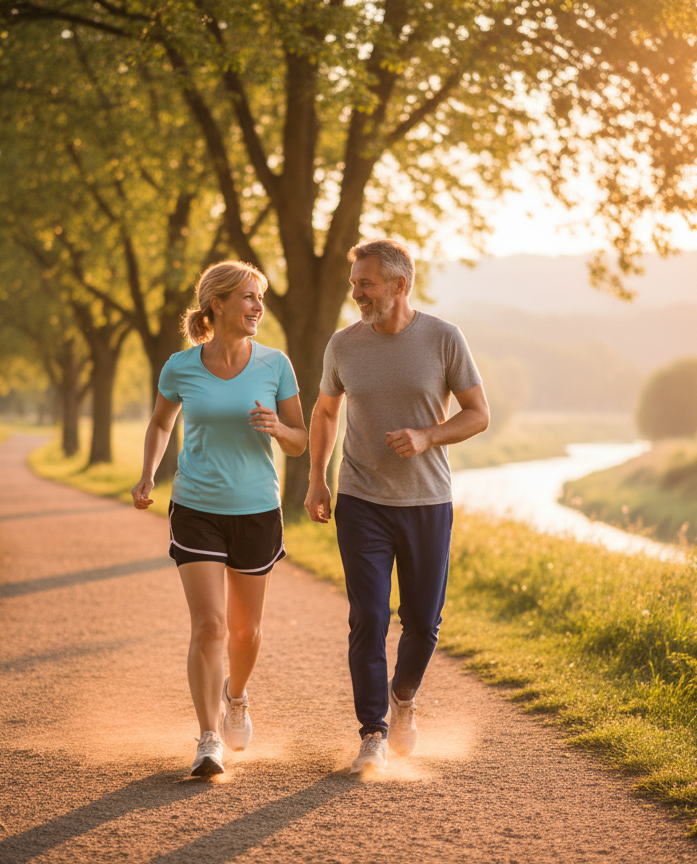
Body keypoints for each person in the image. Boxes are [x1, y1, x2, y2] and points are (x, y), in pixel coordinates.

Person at [304, 239, 490, 774]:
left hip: (426, 501)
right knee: (368, 615)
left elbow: (478, 414)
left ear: (399, 285)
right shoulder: (343, 346)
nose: (356, 292)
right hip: (361, 498)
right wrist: (317, 479)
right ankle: (373, 731)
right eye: (353, 283)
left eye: (366, 283)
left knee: (423, 623)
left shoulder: (443, 339)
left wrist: (429, 436)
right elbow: (324, 412)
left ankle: (403, 697)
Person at [132, 261, 307, 778]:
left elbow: (301, 442)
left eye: (260, 298)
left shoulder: (276, 364)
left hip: (256, 508)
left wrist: (278, 427)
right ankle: (209, 738)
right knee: (208, 625)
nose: (257, 307)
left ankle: (237, 697)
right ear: (218, 304)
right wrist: (148, 474)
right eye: (249, 298)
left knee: (244, 630)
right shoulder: (180, 366)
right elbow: (162, 423)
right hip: (196, 506)